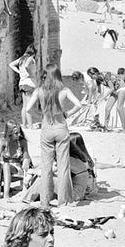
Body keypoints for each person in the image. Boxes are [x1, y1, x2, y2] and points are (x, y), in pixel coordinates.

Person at [30, 68, 86, 209]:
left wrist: (40, 116)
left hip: (47, 128)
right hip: (61, 127)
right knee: (63, 166)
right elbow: (79, 105)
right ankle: (63, 200)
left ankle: (45, 202)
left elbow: (28, 109)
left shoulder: (39, 90)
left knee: (46, 167)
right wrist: (67, 114)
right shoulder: (64, 90)